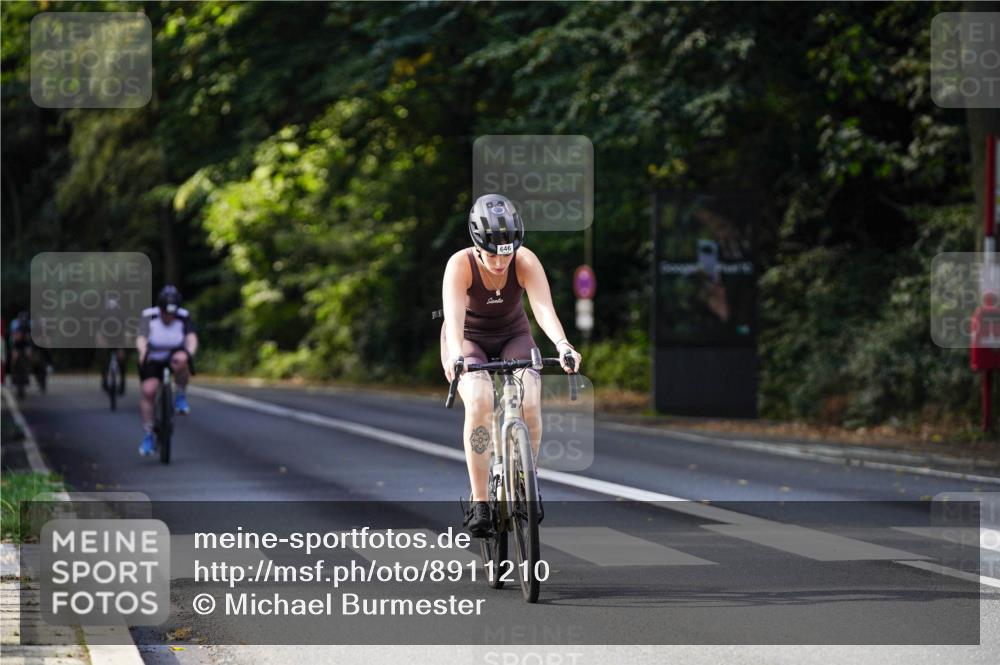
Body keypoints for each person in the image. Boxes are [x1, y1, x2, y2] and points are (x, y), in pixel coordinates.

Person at [440, 194, 582, 537]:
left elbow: (543, 309)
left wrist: (563, 345)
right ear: (476, 246)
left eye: (505, 255)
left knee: (530, 399)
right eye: (491, 255)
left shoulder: (524, 261)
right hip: (468, 339)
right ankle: (480, 501)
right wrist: (458, 356)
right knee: (480, 402)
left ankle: (525, 479)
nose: (500, 263)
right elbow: (454, 320)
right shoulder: (459, 265)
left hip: (513, 334)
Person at [136, 286, 198, 456]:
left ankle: (180, 395)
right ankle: (148, 434)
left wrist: (189, 353)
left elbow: (191, 338)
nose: (169, 317)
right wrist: (143, 351)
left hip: (174, 355)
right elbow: (141, 337)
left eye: (172, 313)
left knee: (183, 359)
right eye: (166, 313)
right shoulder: (149, 315)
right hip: (154, 357)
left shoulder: (183, 316)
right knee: (148, 391)